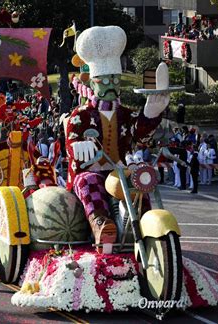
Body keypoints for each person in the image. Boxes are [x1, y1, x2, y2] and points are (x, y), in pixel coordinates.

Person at [65, 26, 169, 249]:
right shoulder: (80, 115)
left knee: (139, 183)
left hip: (119, 170)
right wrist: (77, 146)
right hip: (90, 171)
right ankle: (101, 225)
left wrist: (151, 113)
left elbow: (141, 137)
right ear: (92, 82)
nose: (111, 84)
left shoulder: (126, 114)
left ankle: (148, 228)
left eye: (114, 79)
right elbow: (71, 140)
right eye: (104, 80)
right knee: (88, 182)